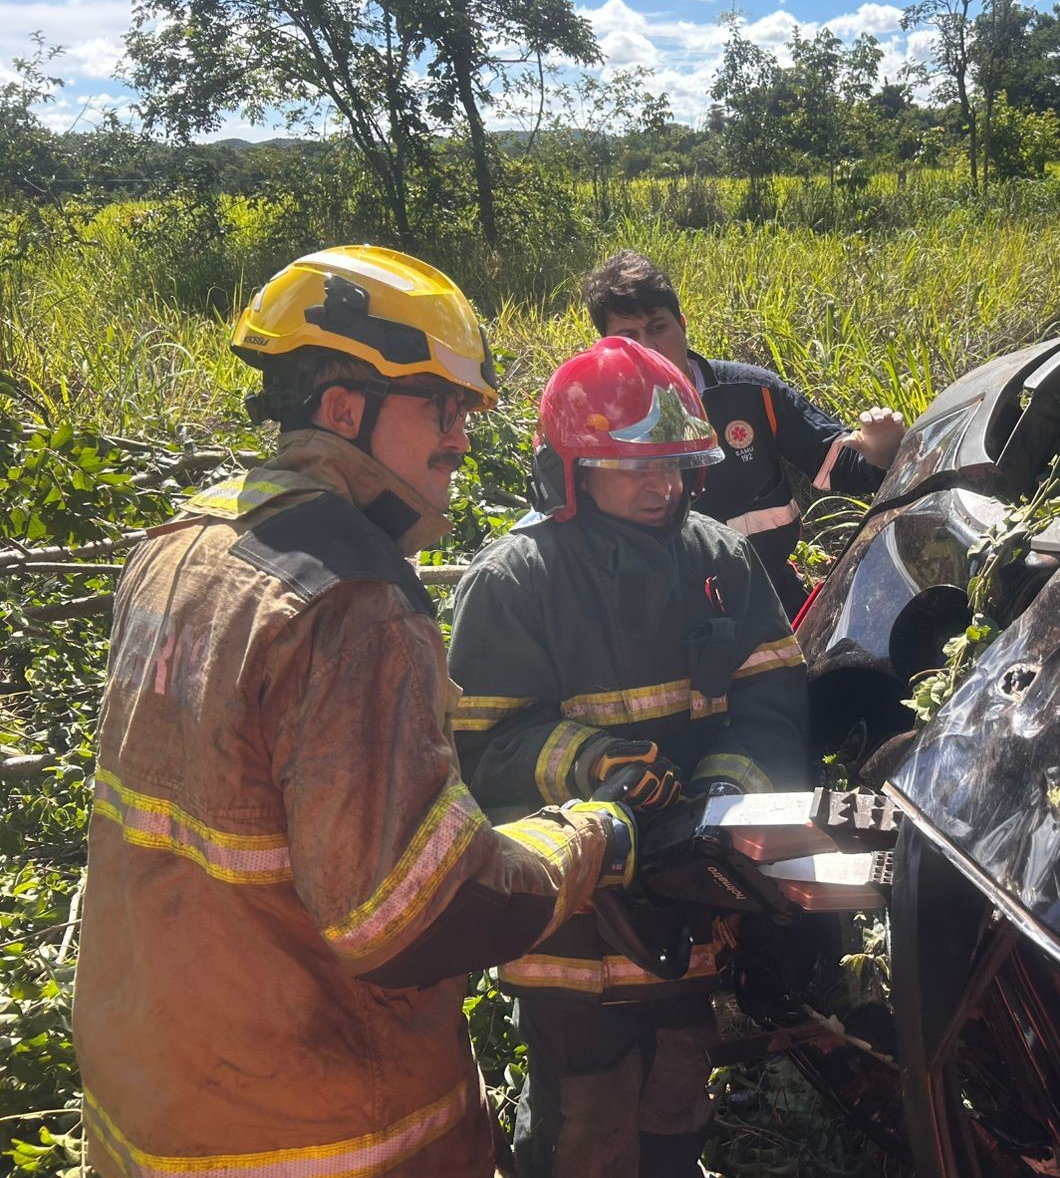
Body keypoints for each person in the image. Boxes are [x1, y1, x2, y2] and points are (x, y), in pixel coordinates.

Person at [73, 246, 641, 1176]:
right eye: (442, 408)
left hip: (151, 1102)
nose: (461, 437)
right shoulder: (353, 603)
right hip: (319, 1127)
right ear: (346, 409)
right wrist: (583, 840)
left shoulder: (181, 543)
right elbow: (411, 916)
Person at [448, 335, 811, 1178]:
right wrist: (589, 766)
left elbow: (772, 705)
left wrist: (720, 801)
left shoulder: (718, 559)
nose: (665, 487)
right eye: (635, 468)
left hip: (687, 908)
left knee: (681, 1094)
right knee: (587, 1124)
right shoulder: (515, 581)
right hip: (570, 927)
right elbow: (476, 747)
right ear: (568, 472)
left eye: (678, 467)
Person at [580, 250, 906, 617]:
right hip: (666, 612)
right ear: (606, 349)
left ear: (682, 325)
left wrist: (881, 452)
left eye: (658, 327)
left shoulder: (753, 392)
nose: (649, 346)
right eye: (629, 336)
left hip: (768, 591)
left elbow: (835, 461)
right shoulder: (595, 424)